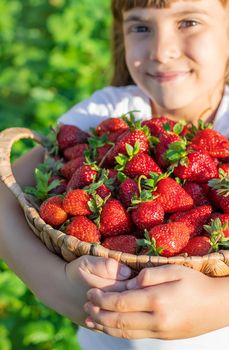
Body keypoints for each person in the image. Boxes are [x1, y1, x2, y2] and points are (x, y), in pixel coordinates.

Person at [0, 0, 229, 349]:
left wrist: (219, 305)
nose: (161, 50)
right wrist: (56, 287)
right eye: (141, 26)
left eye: (188, 22)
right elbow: (3, 196)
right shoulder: (111, 112)